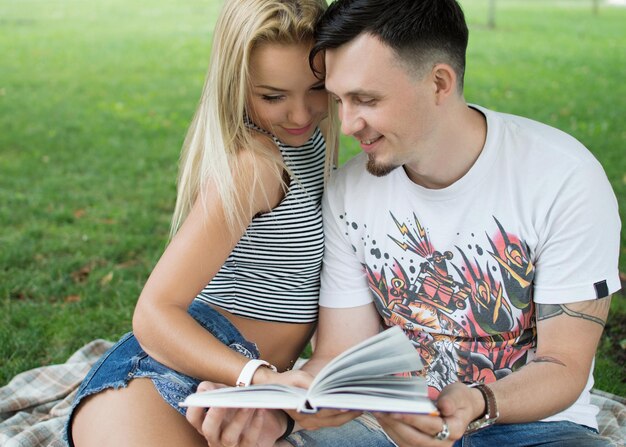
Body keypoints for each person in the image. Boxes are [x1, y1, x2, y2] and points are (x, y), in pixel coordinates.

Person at [190, 0, 622, 446]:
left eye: (366, 99)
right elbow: (338, 356)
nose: (346, 124)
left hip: (531, 429)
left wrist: (476, 403)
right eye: (338, 99)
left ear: (439, 82)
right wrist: (280, 412)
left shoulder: (562, 177)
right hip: (382, 428)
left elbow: (564, 366)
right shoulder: (348, 192)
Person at [64, 0, 338, 445]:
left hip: (240, 392)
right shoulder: (255, 165)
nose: (301, 113)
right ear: (236, 84)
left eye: (317, 88)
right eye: (273, 96)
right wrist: (259, 377)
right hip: (168, 380)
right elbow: (154, 313)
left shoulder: (309, 145)